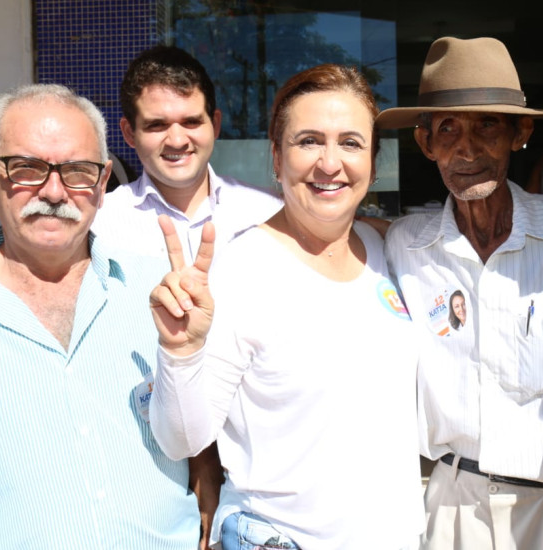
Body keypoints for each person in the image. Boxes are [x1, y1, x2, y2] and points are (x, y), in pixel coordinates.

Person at [148, 64, 424, 550]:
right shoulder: (240, 270)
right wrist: (180, 352)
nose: (330, 163)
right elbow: (181, 439)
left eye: (351, 143)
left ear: (374, 164)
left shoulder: (383, 250)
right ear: (276, 158)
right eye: (309, 141)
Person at [0, 84, 199, 548]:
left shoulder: (160, 294)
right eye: (26, 168)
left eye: (78, 171)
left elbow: (200, 440)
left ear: (102, 184)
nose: (55, 191)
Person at [377, 36, 543, 550]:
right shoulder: (405, 245)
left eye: (487, 126)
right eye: (448, 130)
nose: (467, 149)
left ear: (519, 133)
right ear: (426, 144)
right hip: (452, 504)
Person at [92, 45, 282, 548]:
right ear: (129, 134)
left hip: (254, 470)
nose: (177, 139)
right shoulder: (99, 227)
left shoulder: (266, 215)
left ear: (215, 123)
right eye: (156, 125)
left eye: (191, 121)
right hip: (143, 458)